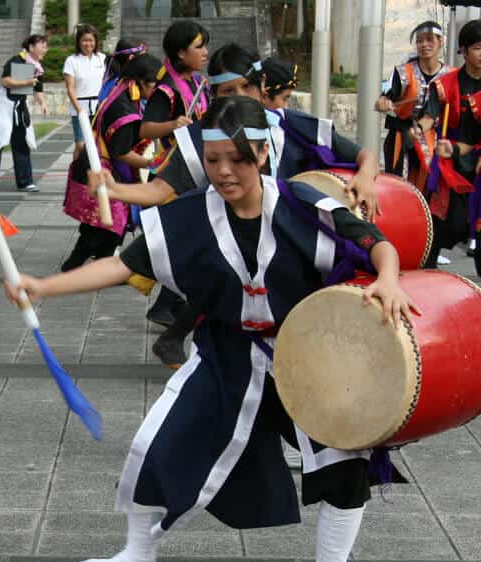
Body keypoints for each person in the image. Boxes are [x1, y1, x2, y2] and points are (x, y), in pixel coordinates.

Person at [9, 95, 415, 562]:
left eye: (238, 159)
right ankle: (137, 556)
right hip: (227, 352)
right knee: (159, 443)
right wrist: (43, 286)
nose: (224, 171)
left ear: (263, 155)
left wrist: (387, 280)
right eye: (214, 159)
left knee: (344, 463)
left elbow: (377, 243)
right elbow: (120, 266)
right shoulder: (187, 218)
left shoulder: (304, 205)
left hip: (309, 353)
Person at [98, 44, 381, 370]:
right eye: (228, 91)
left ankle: (182, 341)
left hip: (290, 240)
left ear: (261, 87)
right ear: (215, 96)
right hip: (238, 239)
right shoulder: (202, 139)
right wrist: (115, 189)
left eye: (246, 86)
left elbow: (364, 155)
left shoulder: (291, 125)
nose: (240, 96)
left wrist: (366, 176)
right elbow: (159, 190)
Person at [62, 51, 160, 270]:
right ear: (142, 82)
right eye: (154, 86)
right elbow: (121, 152)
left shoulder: (120, 88)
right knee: (103, 224)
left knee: (105, 225)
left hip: (96, 164)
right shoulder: (124, 110)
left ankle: (102, 266)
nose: (156, 92)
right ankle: (73, 266)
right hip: (101, 169)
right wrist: (150, 164)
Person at [139, 20, 209, 328]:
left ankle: (173, 303)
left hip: (196, 169)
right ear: (181, 53)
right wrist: (172, 125)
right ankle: (167, 305)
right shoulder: (166, 89)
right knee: (185, 239)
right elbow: (144, 128)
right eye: (199, 47)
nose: (205, 52)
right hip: (174, 172)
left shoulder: (198, 82)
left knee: (188, 239)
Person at [421, 19, 481, 273]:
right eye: (478, 47)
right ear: (463, 51)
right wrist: (418, 129)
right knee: (448, 224)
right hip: (452, 164)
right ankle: (425, 269)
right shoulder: (447, 85)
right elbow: (429, 115)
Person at [376, 21, 449, 192]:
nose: (424, 45)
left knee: (427, 185)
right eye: (420, 40)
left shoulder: (449, 76)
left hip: (432, 135)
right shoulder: (403, 72)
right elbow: (386, 97)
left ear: (440, 42)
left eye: (430, 40)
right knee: (396, 183)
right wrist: (383, 102)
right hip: (401, 133)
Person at [0, 35, 48, 192]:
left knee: (22, 143)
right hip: (4, 106)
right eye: (42, 45)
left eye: (46, 46)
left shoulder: (37, 67)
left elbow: (38, 90)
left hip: (19, 108)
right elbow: (5, 81)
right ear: (31, 47)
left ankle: (25, 181)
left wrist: (42, 103)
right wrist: (26, 82)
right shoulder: (16, 61)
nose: (45, 49)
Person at [63, 24, 106, 161]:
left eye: (91, 40)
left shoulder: (102, 58)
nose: (88, 44)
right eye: (84, 40)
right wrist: (79, 109)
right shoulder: (71, 60)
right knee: (81, 145)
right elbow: (70, 88)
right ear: (79, 42)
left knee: (98, 145)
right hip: (80, 108)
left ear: (96, 41)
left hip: (99, 107)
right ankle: (74, 177)